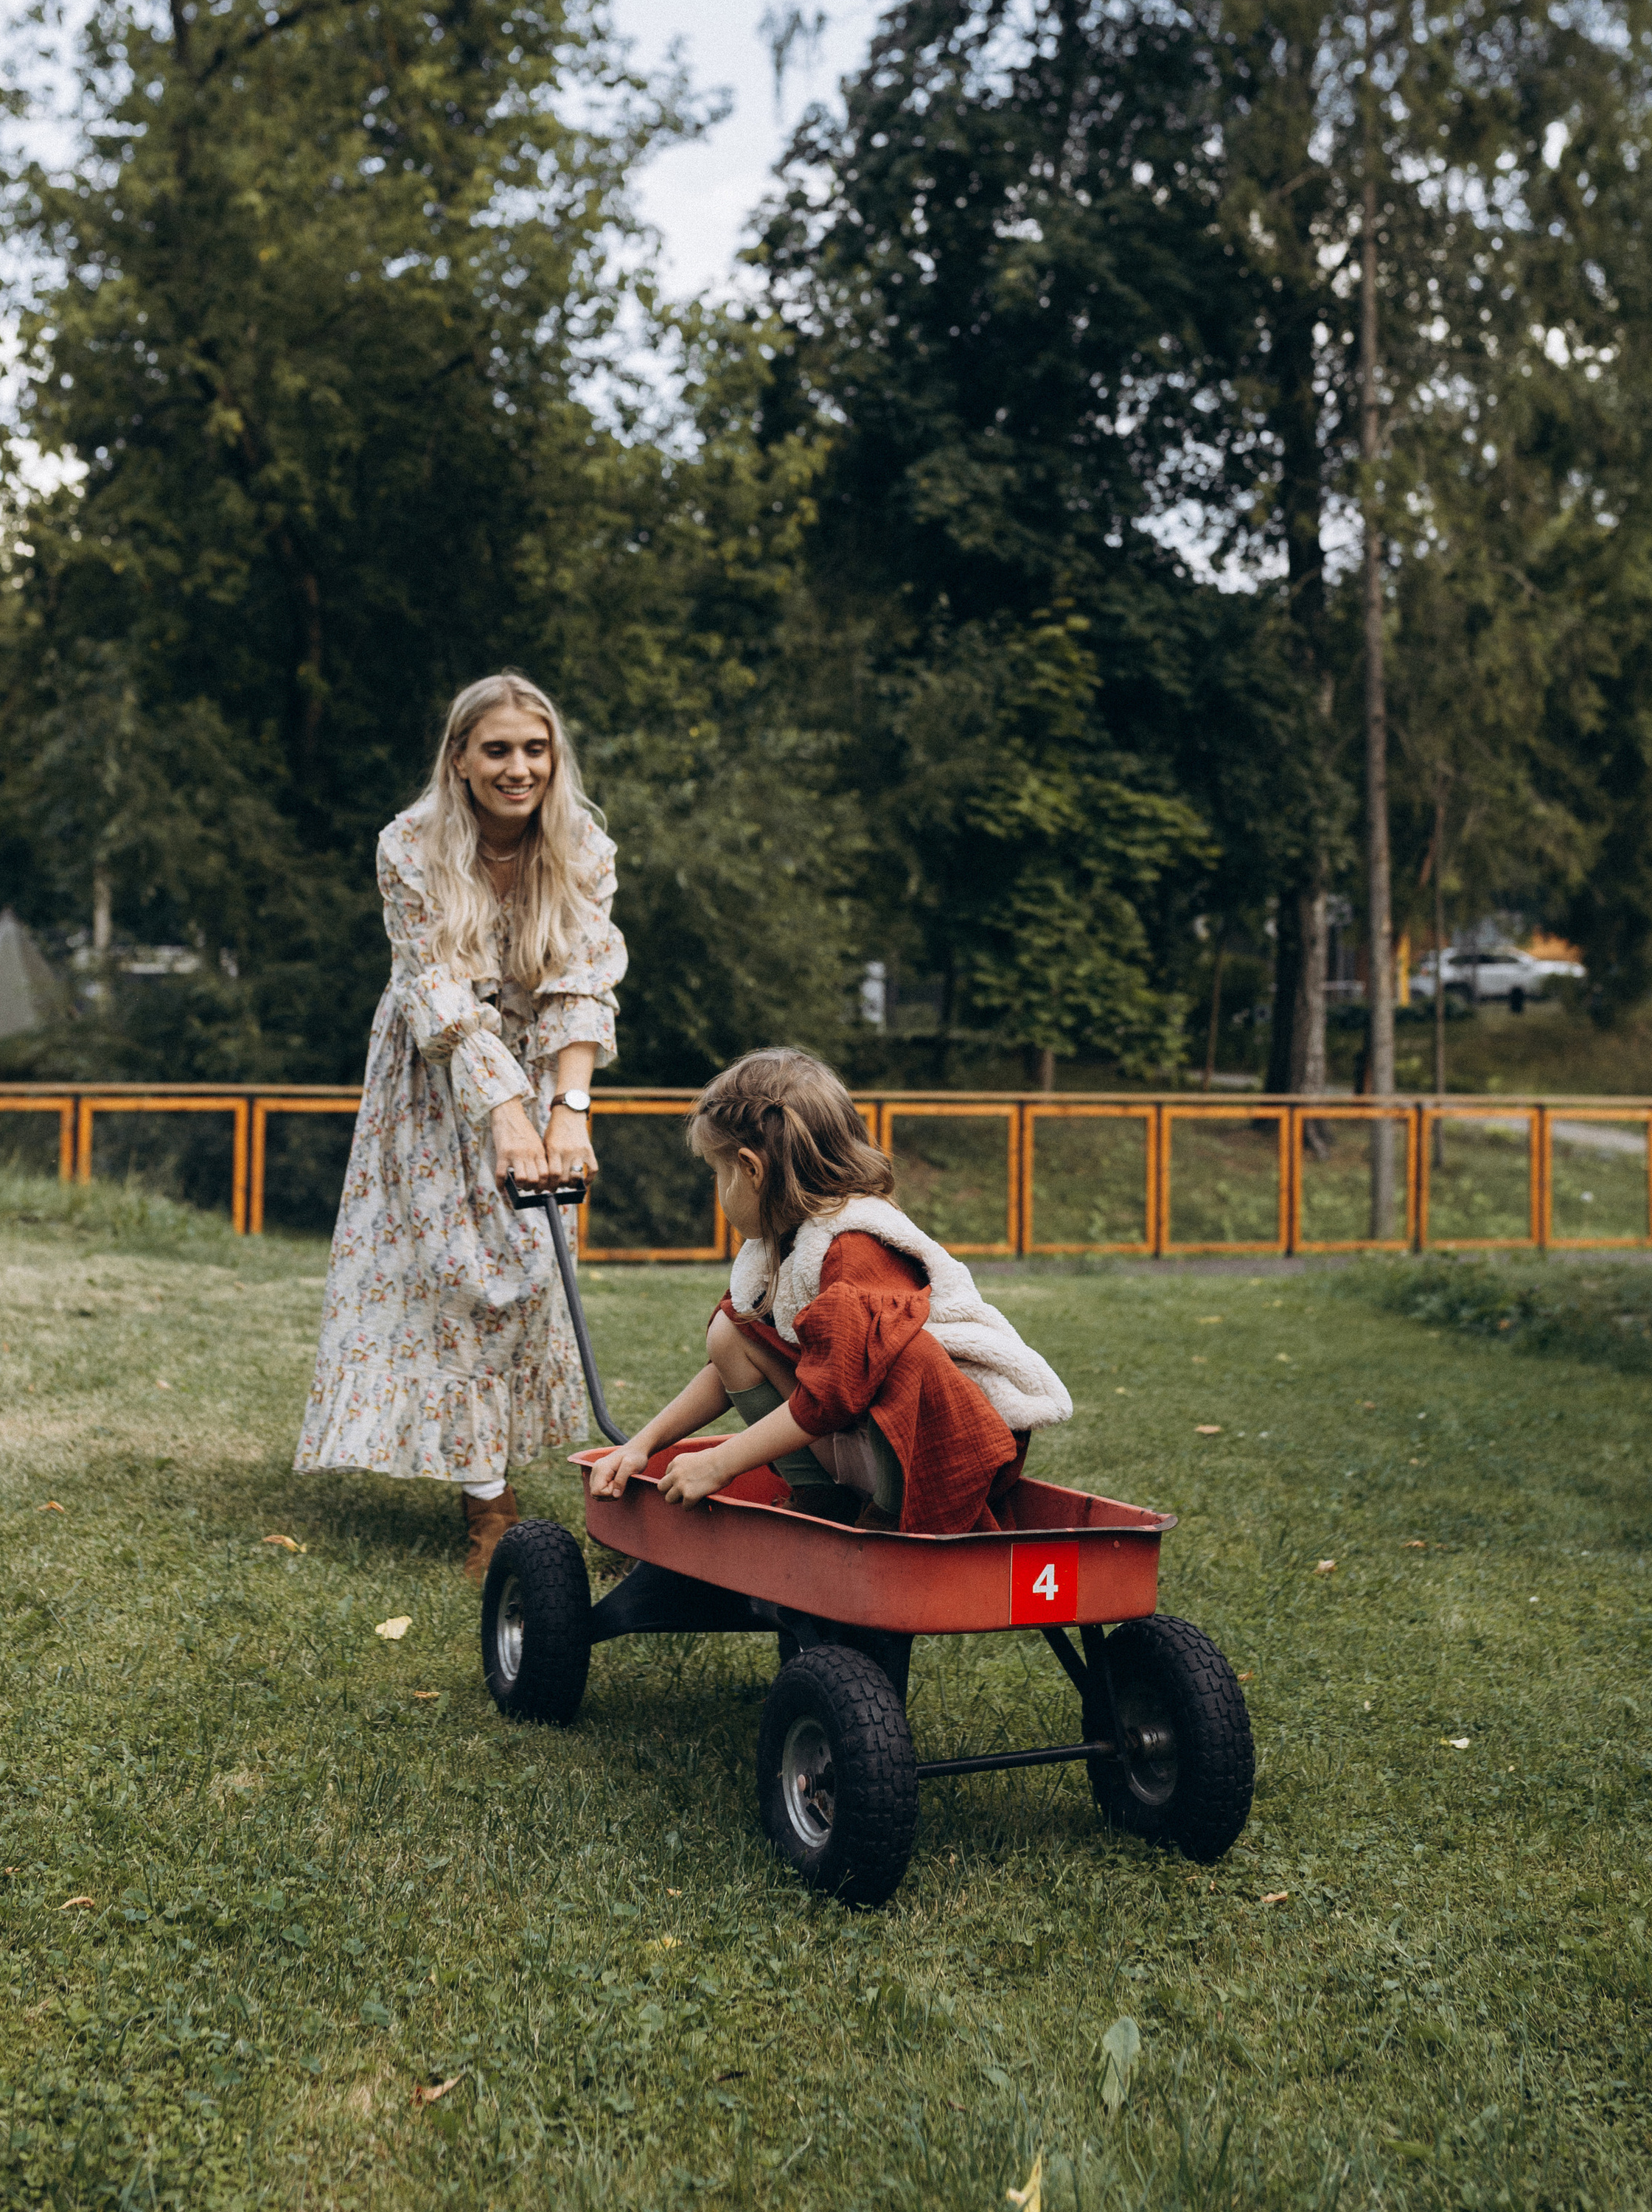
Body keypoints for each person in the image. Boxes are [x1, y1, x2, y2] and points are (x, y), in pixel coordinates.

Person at [295, 671, 626, 1580]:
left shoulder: (583, 847)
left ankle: (560, 1483)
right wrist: (503, 1114)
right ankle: (488, 1504)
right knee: (465, 1276)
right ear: (460, 759)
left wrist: (567, 1111)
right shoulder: (409, 845)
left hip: (538, 1059)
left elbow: (581, 986)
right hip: (438, 1070)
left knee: (530, 1269)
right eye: (497, 750)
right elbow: (437, 988)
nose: (518, 769)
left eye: (534, 749)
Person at [589, 1047, 1071, 1535]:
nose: (719, 1187)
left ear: (751, 1169)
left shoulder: (855, 1248)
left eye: (719, 1172)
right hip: (854, 1432)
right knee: (731, 1332)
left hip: (938, 1453)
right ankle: (823, 1498)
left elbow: (837, 1392)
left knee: (906, 1357)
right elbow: (731, 1370)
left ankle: (885, 1520)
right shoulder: (787, 1239)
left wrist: (720, 1463)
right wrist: (642, 1444)